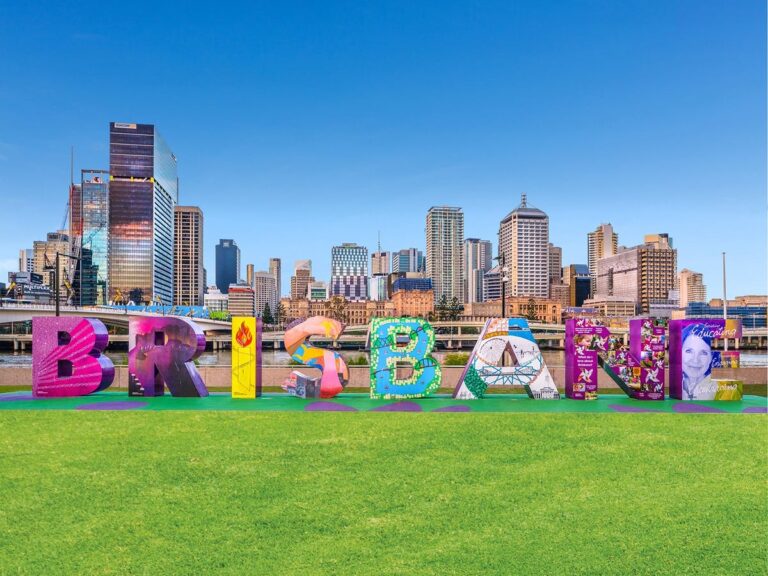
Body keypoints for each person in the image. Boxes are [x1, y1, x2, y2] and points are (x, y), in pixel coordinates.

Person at [681, 324, 716, 400]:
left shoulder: (721, 390)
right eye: (689, 351)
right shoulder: (675, 388)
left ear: (710, 357)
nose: (695, 360)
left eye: (703, 353)